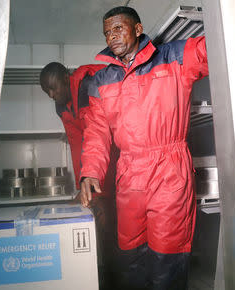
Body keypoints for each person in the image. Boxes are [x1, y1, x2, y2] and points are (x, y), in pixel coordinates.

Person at [78, 6, 208, 290]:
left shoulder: (173, 57)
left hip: (169, 171)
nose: (111, 37)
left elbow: (220, 48)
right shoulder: (101, 81)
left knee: (167, 257)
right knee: (130, 258)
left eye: (118, 28)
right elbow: (97, 131)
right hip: (129, 176)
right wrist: (90, 172)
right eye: (107, 32)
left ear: (137, 29)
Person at [39, 62, 119, 289]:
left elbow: (99, 135)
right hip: (98, 160)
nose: (52, 95)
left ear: (67, 77)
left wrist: (96, 188)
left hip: (114, 152)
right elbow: (77, 143)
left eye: (54, 88)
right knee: (103, 223)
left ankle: (122, 276)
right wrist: (82, 186)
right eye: (47, 92)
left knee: (115, 222)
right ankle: (110, 278)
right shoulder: (61, 105)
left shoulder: (86, 86)